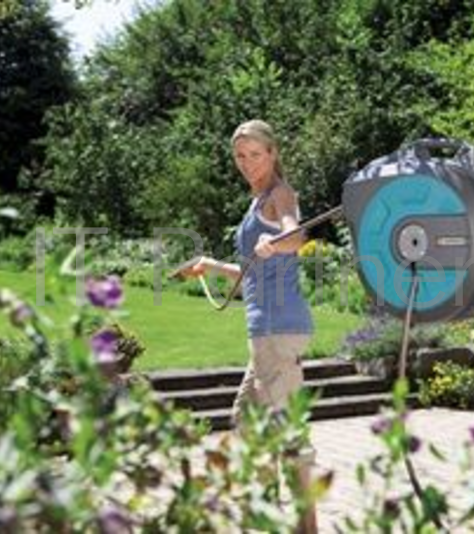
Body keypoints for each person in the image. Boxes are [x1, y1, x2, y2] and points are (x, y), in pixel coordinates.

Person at [177, 119, 317, 533]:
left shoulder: (280, 194)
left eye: (255, 154)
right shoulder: (256, 203)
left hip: (279, 329)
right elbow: (252, 270)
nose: (247, 163)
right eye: (240, 156)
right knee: (247, 423)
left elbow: (297, 237)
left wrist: (278, 243)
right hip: (265, 331)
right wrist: (210, 265)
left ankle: (305, 526)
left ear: (272, 154)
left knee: (284, 432)